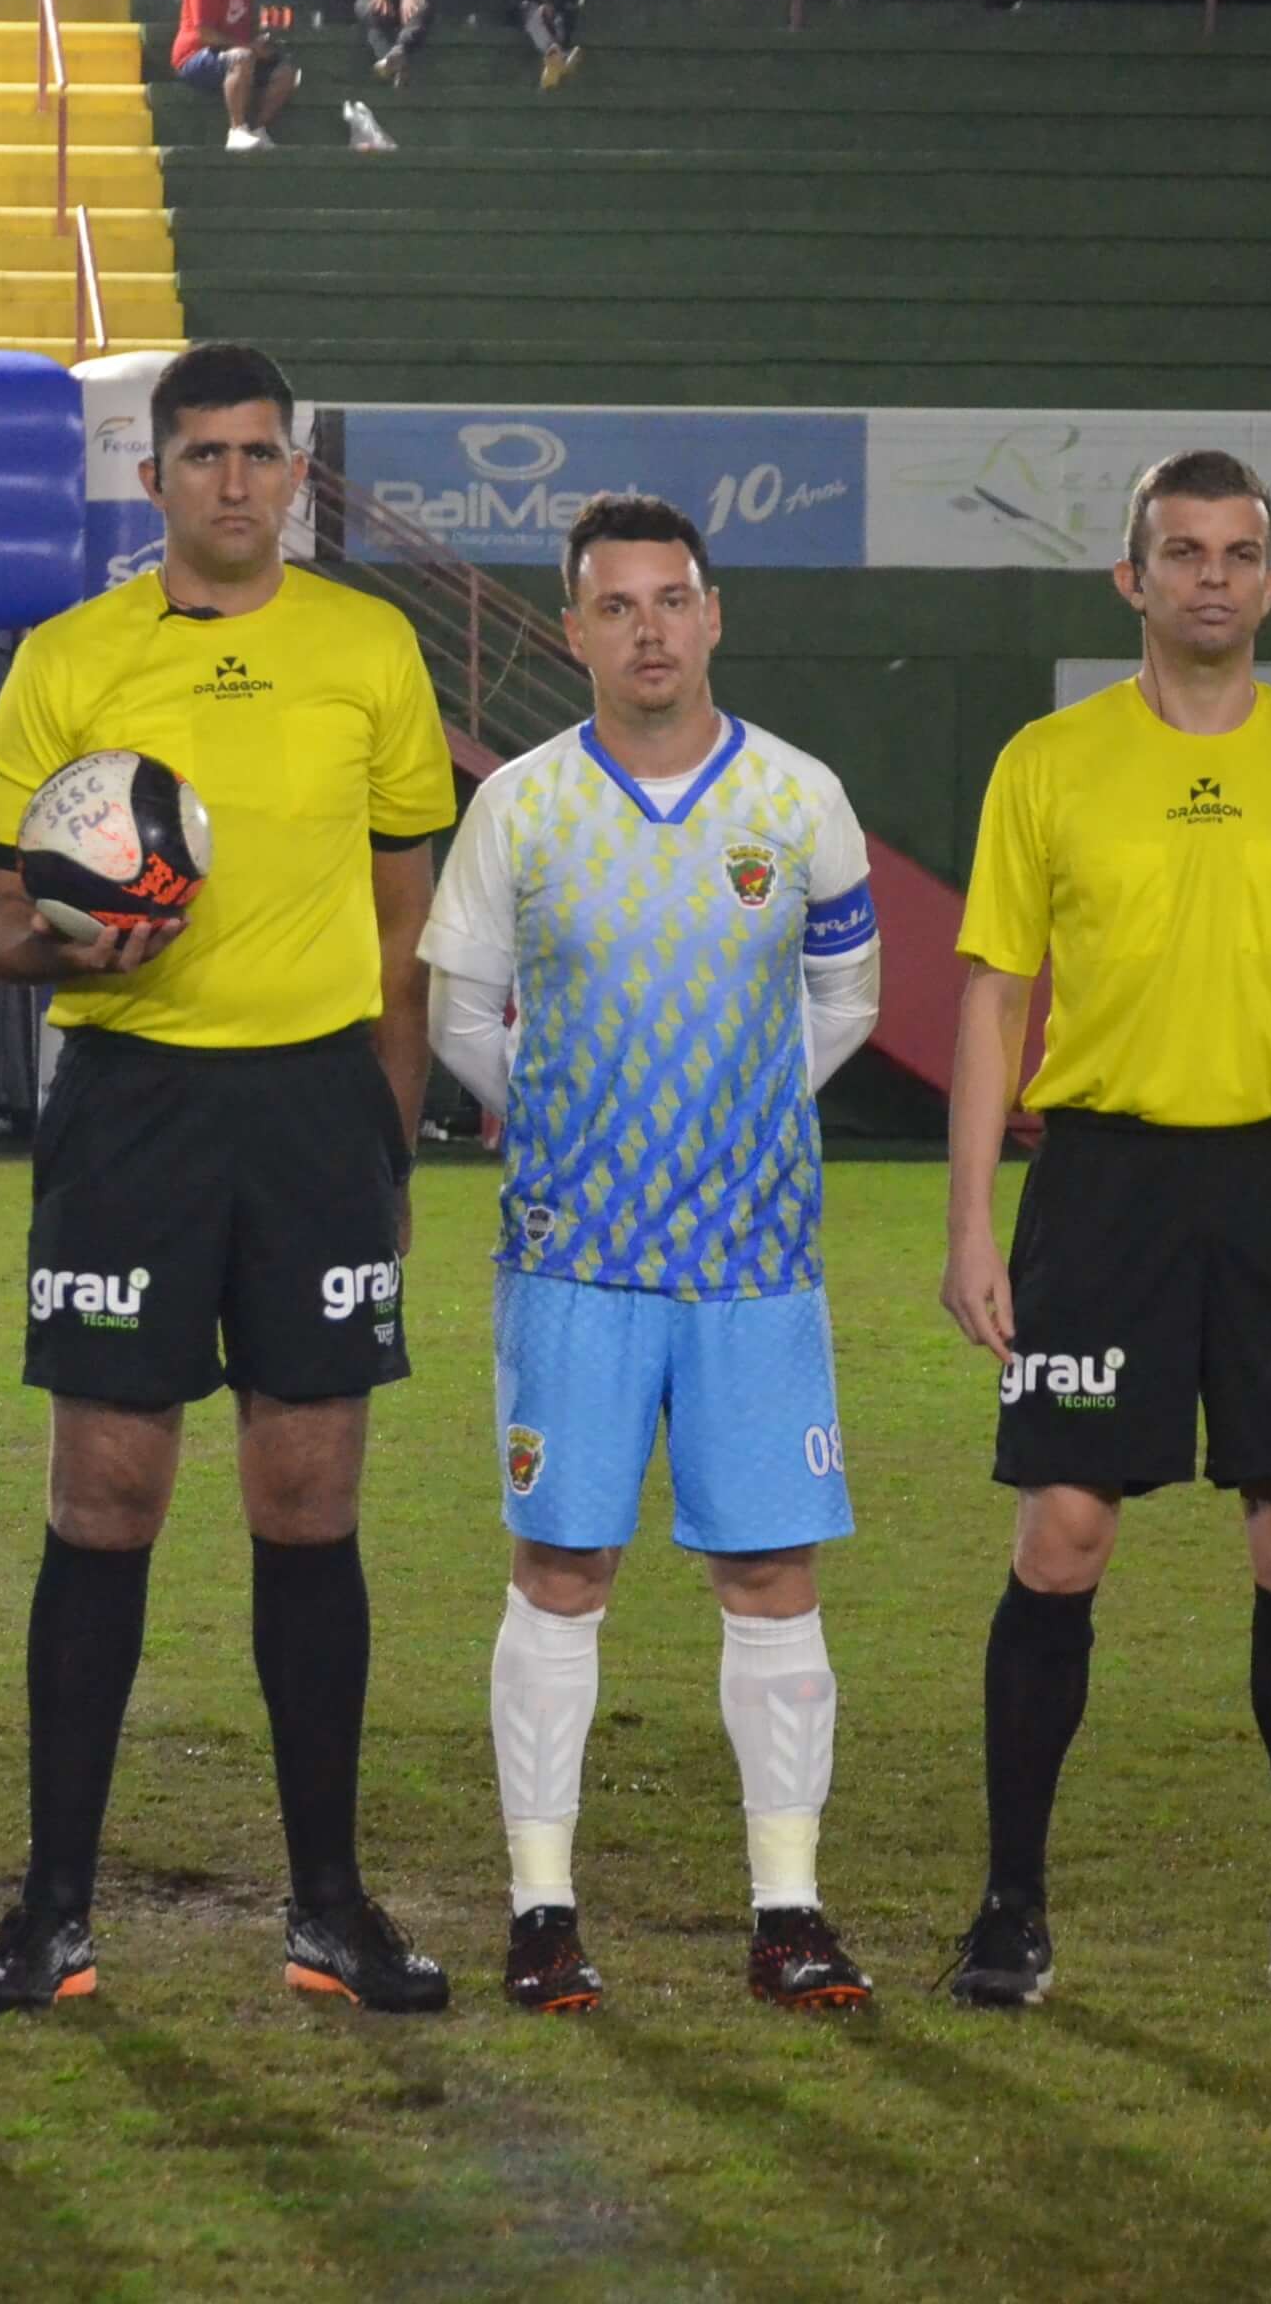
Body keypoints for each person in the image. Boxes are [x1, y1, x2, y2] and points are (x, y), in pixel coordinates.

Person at [0, 341, 460, 2014]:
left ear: (295, 474)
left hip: (315, 1116)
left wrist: (385, 1147)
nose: (235, 482)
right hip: (134, 1107)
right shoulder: (69, 659)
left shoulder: (369, 649)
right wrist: (66, 936)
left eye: (262, 454)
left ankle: (329, 1905)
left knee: (308, 1497)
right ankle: (49, 1908)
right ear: (152, 475)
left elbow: (404, 935)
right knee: (104, 1494)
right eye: (204, 455)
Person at [935, 448, 1271, 2011]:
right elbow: (993, 995)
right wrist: (973, 1220)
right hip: (1099, 1187)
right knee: (1065, 1531)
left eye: (1239, 552)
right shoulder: (1048, 762)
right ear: (1134, 581)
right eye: (1183, 552)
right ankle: (1010, 1908)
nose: (1213, 577)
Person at [422, 494, 884, 2016]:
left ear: (713, 614)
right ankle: (542, 1907)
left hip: (754, 1258)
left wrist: (726, 1122)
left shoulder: (802, 798)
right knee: (562, 1566)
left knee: (771, 1568)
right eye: (615, 607)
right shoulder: (522, 809)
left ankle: (789, 1907)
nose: (649, 630)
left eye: (672, 599)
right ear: (573, 633)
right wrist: (577, 1128)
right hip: (577, 1258)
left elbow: (847, 1004)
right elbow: (457, 1019)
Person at [173, 0, 299, 153]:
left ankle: (258, 129)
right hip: (194, 58)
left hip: (237, 52)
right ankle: (236, 131)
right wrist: (248, 47)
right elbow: (205, 34)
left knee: (285, 71)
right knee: (242, 57)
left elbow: (245, 27)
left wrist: (261, 41)